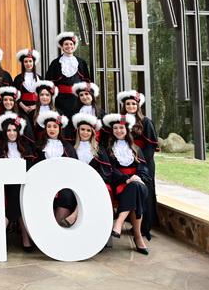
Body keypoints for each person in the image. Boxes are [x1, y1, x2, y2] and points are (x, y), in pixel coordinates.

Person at [103, 113, 151, 254]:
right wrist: (126, 179)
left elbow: (144, 169)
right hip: (120, 184)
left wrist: (137, 177)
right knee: (135, 191)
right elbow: (111, 171)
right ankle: (138, 237)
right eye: (115, 128)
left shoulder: (136, 149)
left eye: (121, 128)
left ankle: (119, 222)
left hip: (138, 182)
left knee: (136, 187)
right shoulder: (108, 150)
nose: (119, 131)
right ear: (112, 131)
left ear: (127, 130)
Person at [58, 113, 112, 229]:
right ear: (78, 130)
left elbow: (105, 171)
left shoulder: (99, 149)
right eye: (82, 129)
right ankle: (58, 228)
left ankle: (74, 215)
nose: (85, 133)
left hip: (92, 182)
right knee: (65, 195)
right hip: (72, 182)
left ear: (93, 132)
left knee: (89, 189)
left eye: (88, 130)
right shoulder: (70, 147)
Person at [118, 90, 158, 241]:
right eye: (128, 104)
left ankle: (145, 227)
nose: (130, 106)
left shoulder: (146, 122)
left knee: (146, 192)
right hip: (128, 162)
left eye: (133, 104)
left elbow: (150, 147)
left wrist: (140, 162)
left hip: (144, 162)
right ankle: (134, 225)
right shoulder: (121, 121)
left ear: (138, 105)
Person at [0, 112, 36, 251]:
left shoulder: (26, 147)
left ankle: (2, 226)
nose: (11, 133)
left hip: (23, 184)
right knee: (17, 199)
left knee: (18, 196)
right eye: (9, 130)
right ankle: (25, 239)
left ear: (19, 132)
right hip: (4, 185)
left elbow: (29, 168)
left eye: (14, 130)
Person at [35, 111, 78, 227]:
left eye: (55, 126)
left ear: (60, 129)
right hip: (43, 182)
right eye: (49, 126)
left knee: (66, 195)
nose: (52, 129)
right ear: (45, 129)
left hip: (64, 183)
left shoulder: (68, 147)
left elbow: (74, 169)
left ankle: (59, 228)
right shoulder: (38, 146)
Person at [44, 32, 92, 119]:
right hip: (60, 100)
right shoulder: (55, 63)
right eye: (66, 44)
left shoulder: (81, 63)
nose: (69, 46)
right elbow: (48, 83)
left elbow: (87, 82)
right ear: (62, 46)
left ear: (74, 46)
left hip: (77, 99)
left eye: (71, 44)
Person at [13, 48, 41, 117]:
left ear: (33, 62)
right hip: (22, 109)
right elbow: (15, 96)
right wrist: (24, 107)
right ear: (23, 63)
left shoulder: (40, 78)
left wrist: (35, 106)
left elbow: (43, 95)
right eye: (26, 61)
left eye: (30, 61)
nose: (28, 63)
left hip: (37, 109)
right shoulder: (18, 78)